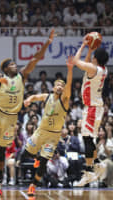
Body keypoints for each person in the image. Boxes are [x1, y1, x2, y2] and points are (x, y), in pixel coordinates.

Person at [0, 29, 55, 197]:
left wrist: (47, 42)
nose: (14, 65)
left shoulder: (22, 76)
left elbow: (35, 59)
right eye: (11, 64)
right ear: (5, 68)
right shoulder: (0, 77)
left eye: (14, 64)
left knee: (2, 149)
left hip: (11, 118)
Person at [19, 57, 73, 198]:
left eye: (62, 85)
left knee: (43, 164)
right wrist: (29, 99)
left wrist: (70, 69)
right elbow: (36, 96)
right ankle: (36, 156)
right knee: (25, 155)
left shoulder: (64, 101)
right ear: (54, 87)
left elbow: (69, 85)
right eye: (58, 85)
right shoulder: (47, 96)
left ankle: (33, 186)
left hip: (53, 136)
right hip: (40, 132)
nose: (60, 87)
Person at [71, 38, 109, 187]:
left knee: (87, 138)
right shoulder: (100, 69)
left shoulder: (94, 69)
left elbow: (76, 61)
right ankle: (98, 164)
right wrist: (90, 49)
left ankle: (89, 171)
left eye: (93, 56)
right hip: (95, 107)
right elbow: (86, 62)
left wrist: (83, 45)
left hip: (93, 108)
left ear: (95, 59)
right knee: (89, 138)